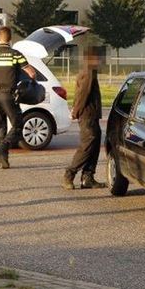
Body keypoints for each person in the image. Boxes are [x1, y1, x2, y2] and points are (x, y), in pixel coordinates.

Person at [0, 25, 37, 169]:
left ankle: (4, 160)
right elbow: (31, 73)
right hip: (8, 94)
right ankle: (2, 148)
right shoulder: (15, 54)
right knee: (18, 124)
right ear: (10, 39)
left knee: (1, 127)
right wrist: (32, 78)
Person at [63, 58, 106, 190]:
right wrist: (76, 111)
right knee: (87, 145)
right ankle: (69, 174)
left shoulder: (90, 70)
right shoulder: (89, 71)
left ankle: (88, 177)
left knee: (94, 144)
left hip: (92, 115)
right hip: (87, 115)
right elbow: (83, 93)